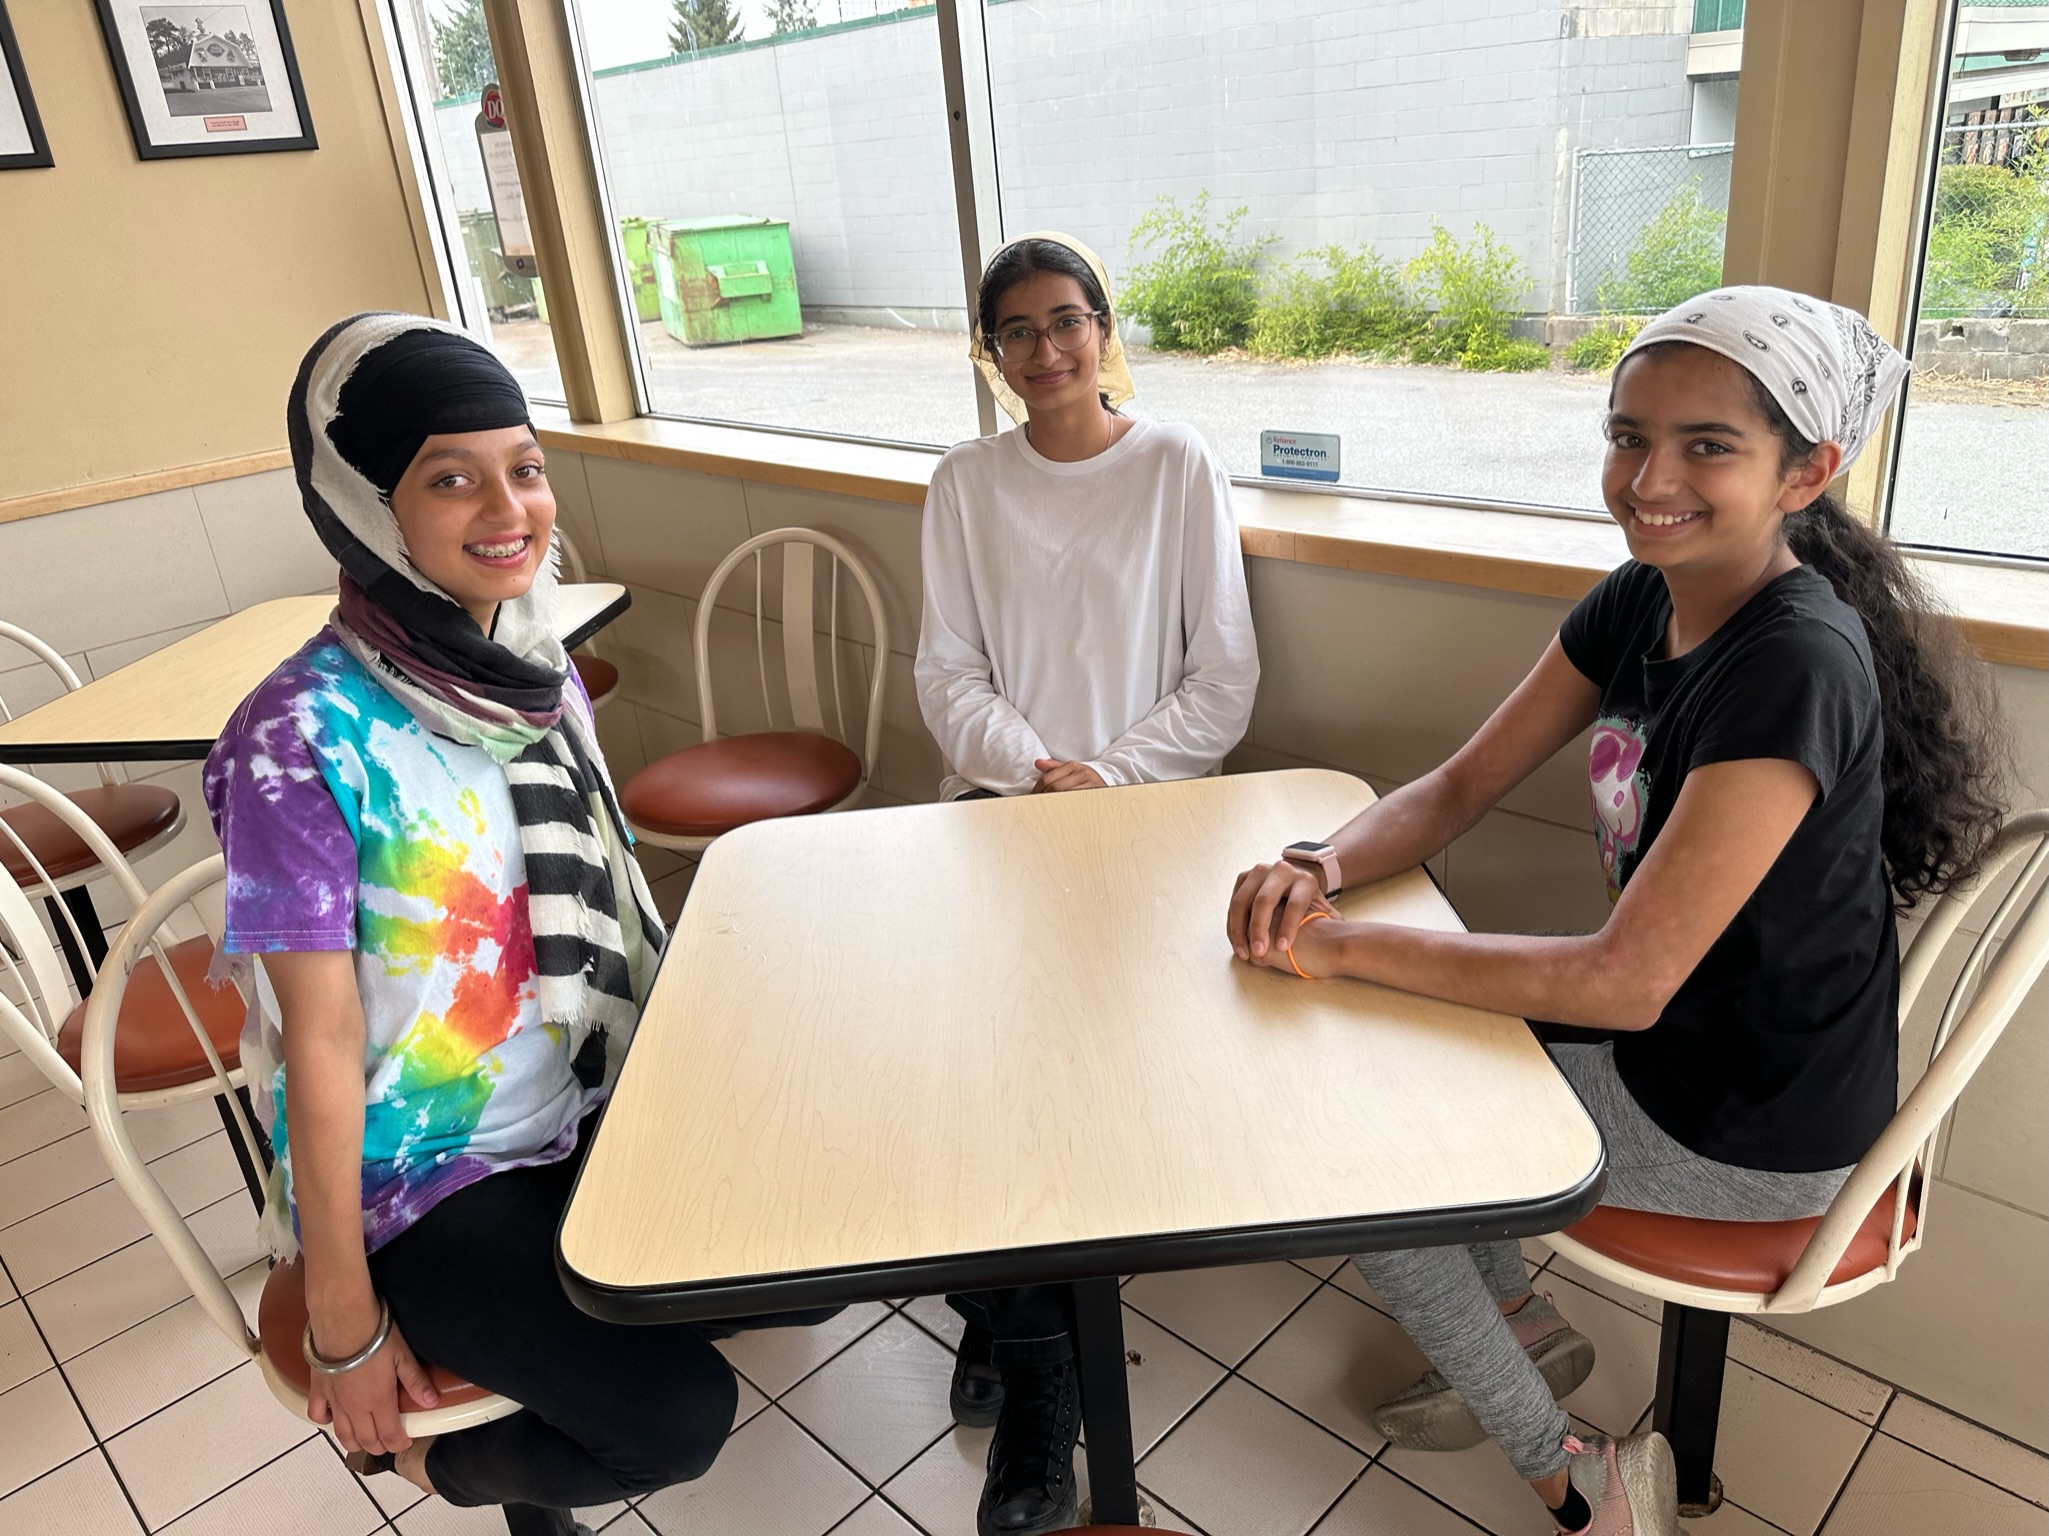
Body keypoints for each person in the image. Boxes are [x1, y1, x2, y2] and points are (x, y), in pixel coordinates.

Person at [1224, 287, 2002, 1536]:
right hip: (1673, 1040)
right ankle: (1519, 1321)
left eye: (1708, 446)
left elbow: (1621, 982)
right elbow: (1459, 786)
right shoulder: (1646, 592)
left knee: (1367, 1154)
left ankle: (1580, 1484)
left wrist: (1341, 951)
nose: (1649, 480)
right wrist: (1319, 867)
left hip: (1754, 1120)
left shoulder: (1793, 662)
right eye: (1628, 435)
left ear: (1807, 473)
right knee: (1394, 1048)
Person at [203, 314, 833, 1536]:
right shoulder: (296, 736)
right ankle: (424, 1464)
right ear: (365, 504)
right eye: (451, 478)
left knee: (815, 1268)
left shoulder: (533, 668)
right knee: (674, 1421)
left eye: (526, 468)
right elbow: (319, 1045)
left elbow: (604, 903)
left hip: (588, 1100)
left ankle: (555, 1357)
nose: (509, 510)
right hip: (426, 1179)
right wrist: (343, 1317)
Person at [914, 234, 1260, 1536]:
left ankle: (1031, 1356)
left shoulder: (1175, 466)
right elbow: (946, 674)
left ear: (1104, 330)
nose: (1047, 348)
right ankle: (1018, 1325)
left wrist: (1104, 777)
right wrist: (1032, 770)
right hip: (1000, 815)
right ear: (991, 354)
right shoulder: (964, 483)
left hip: (1143, 822)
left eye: (1068, 320)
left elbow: (1224, 679)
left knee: (1089, 1099)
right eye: (1017, 330)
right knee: (972, 1086)